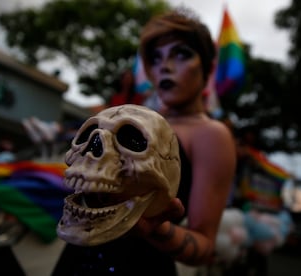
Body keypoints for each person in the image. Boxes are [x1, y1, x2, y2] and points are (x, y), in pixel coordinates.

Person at [52, 7, 236, 275]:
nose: (165, 66)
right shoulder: (132, 118)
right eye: (156, 57)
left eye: (181, 54)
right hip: (76, 259)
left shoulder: (211, 135)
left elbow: (205, 246)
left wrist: (154, 228)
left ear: (207, 67)